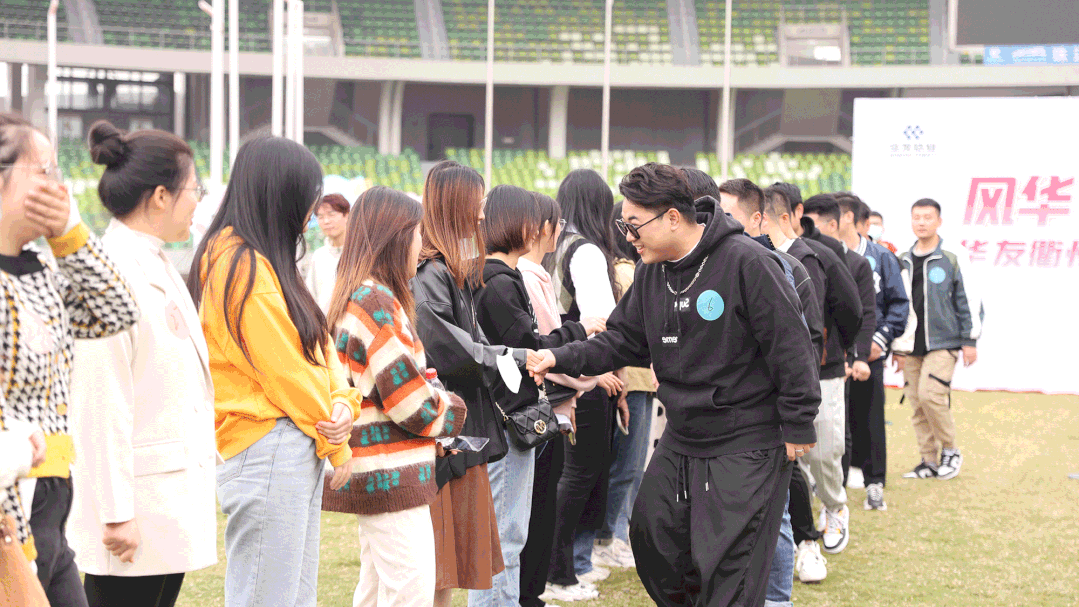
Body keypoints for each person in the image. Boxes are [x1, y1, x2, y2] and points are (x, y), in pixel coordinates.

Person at [529, 163, 821, 607]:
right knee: (653, 536)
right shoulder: (652, 271)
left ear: (671, 218)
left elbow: (792, 346)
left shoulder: (746, 261)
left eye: (634, 224)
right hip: (684, 434)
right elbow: (621, 340)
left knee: (731, 563)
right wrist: (559, 356)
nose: (628, 236)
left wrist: (799, 421)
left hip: (746, 438)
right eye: (623, 225)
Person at [187, 136, 360, 607]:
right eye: (306, 199)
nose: (311, 214)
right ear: (278, 194)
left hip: (289, 442)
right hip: (268, 445)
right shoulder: (238, 262)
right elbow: (288, 371)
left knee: (293, 595)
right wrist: (338, 443)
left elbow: (318, 344)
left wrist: (344, 402)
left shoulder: (264, 258)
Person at [67, 121, 217, 607]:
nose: (197, 202)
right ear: (160, 197)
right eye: (193, 190)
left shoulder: (156, 262)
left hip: (162, 498)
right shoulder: (108, 272)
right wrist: (115, 512)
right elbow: (100, 402)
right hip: (134, 509)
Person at [0, 112, 140, 607]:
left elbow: (118, 311)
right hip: (11, 506)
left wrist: (69, 234)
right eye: (44, 171)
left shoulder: (41, 269)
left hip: (52, 499)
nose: (58, 187)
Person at [320, 185, 468, 607]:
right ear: (397, 237)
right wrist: (454, 411)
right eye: (418, 234)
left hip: (377, 468)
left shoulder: (360, 295)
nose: (422, 245)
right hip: (390, 471)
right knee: (409, 590)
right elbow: (409, 401)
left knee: (376, 590)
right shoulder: (376, 302)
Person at [409, 160, 534, 607]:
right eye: (476, 205)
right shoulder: (431, 273)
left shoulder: (451, 270)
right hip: (443, 436)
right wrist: (515, 357)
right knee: (437, 564)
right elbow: (453, 350)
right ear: (456, 207)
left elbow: (472, 344)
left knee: (450, 565)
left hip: (459, 433)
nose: (482, 215)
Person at [471, 184, 603, 607]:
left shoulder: (498, 277)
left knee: (509, 533)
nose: (543, 229)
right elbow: (531, 348)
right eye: (535, 220)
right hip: (506, 421)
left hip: (506, 418)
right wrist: (579, 329)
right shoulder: (498, 282)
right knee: (504, 537)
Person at [706, 174, 820, 607]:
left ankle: (775, 599)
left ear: (757, 219)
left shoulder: (785, 268)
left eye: (728, 215)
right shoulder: (709, 267)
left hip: (767, 420)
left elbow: (803, 348)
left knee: (776, 516)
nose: (716, 224)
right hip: (721, 422)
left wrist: (794, 417)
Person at [771, 183, 860, 583]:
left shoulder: (820, 255)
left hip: (824, 369)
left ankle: (835, 505)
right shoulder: (756, 256)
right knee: (793, 458)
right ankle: (804, 535)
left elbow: (851, 308)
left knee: (825, 449)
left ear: (792, 215)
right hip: (781, 375)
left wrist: (834, 348)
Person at [517, 192, 603, 607]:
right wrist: (587, 365)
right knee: (536, 508)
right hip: (540, 407)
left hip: (550, 403)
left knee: (542, 503)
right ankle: (535, 590)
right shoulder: (525, 276)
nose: (560, 231)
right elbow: (543, 349)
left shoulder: (536, 273)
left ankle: (535, 590)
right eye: (556, 224)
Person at [545, 169, 625, 601]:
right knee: (579, 477)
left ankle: (564, 567)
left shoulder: (552, 245)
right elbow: (602, 322)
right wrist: (606, 370)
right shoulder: (587, 251)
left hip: (553, 371)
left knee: (564, 476)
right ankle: (560, 574)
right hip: (583, 377)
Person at [578, 200, 655, 573]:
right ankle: (610, 537)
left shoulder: (621, 269)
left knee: (627, 465)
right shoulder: (628, 273)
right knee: (628, 464)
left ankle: (613, 535)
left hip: (632, 378)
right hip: (633, 379)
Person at [893, 198, 983, 481]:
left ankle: (951, 451)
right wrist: (897, 346)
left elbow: (969, 298)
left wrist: (970, 340)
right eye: (916, 217)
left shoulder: (953, 256)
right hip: (911, 344)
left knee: (931, 396)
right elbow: (896, 303)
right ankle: (928, 461)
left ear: (939, 221)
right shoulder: (902, 258)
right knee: (917, 402)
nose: (921, 222)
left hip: (945, 341)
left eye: (927, 217)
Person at [833, 194, 908, 509]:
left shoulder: (882, 257)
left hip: (871, 354)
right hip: (834, 356)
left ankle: (874, 483)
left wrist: (878, 341)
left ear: (848, 218)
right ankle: (834, 486)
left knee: (871, 418)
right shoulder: (823, 255)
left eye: (831, 215)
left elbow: (898, 305)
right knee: (836, 420)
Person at [305, 193, 350, 313]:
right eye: (320, 217)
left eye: (331, 214)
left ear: (346, 215)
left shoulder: (360, 254)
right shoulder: (319, 257)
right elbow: (310, 297)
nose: (326, 221)